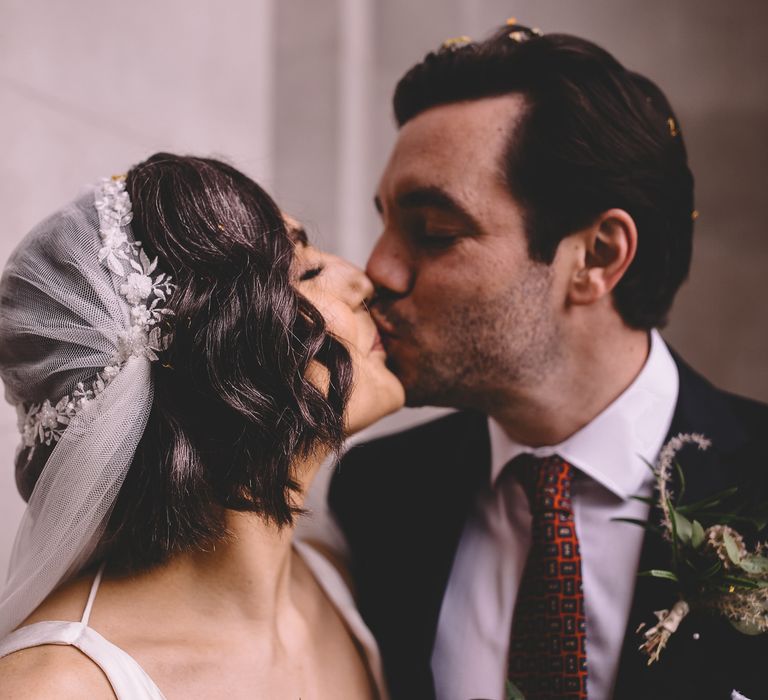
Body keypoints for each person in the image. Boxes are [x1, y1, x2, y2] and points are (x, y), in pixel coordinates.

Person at [323, 23, 768, 700]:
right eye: (384, 221)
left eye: (435, 233)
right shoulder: (377, 496)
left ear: (596, 257)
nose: (376, 269)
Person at [0, 153, 404, 698]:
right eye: (306, 272)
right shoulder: (58, 688)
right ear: (219, 365)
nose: (360, 279)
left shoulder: (341, 574)